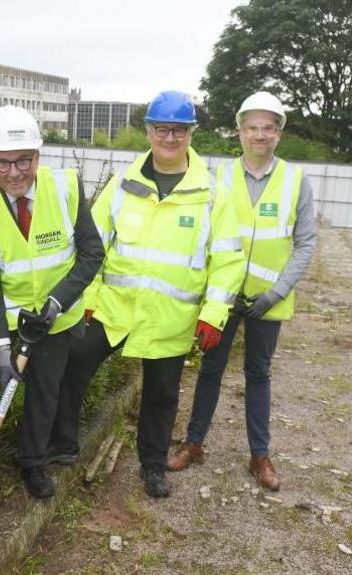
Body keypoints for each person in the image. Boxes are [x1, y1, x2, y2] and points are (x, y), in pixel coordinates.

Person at [48, 90, 244, 499]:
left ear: (191, 134)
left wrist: (215, 313)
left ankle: (153, 466)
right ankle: (61, 444)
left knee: (162, 394)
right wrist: (86, 299)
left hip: (169, 317)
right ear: (149, 132)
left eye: (178, 130)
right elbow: (92, 245)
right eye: (161, 129)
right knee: (72, 366)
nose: (169, 138)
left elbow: (227, 261)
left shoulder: (213, 193)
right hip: (111, 310)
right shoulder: (124, 184)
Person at [0, 106, 104, 500]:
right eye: (2, 163)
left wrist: (58, 303)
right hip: (1, 317)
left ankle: (31, 462)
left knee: (45, 387)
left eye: (23, 160)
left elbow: (92, 255)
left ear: (38, 157)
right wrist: (0, 346)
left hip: (54, 317)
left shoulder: (67, 188)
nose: (14, 172)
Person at [169, 91, 317, 492]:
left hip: (269, 300)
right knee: (210, 370)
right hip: (225, 296)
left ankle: (260, 456)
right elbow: (206, 236)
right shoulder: (219, 179)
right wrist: (215, 291)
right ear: (239, 132)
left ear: (278, 134)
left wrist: (277, 291)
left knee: (259, 374)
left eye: (268, 128)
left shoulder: (296, 181)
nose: (259, 135)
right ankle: (194, 443)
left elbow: (305, 243)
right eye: (252, 127)